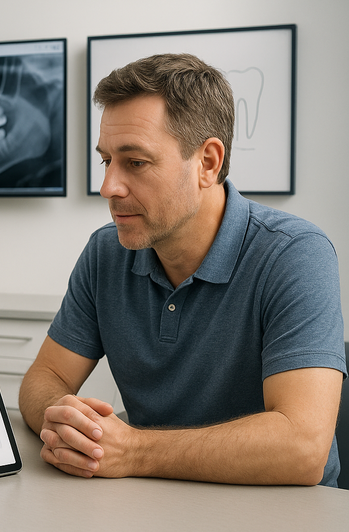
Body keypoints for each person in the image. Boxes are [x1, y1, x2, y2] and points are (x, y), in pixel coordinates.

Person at [19, 53, 346, 486]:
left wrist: (133, 450)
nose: (109, 187)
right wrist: (65, 418)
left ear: (207, 163)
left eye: (135, 162)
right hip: (152, 496)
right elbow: (46, 376)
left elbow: (302, 448)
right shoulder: (106, 251)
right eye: (106, 161)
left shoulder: (295, 254)